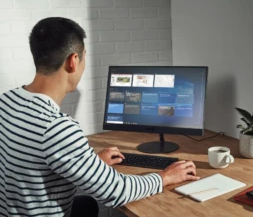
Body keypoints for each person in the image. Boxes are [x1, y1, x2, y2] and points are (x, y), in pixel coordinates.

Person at [0, 17, 200, 217]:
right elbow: (117, 191)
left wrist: (92, 164)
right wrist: (165, 177)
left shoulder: (6, 102)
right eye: (84, 56)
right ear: (73, 61)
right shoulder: (56, 128)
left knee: (86, 204)